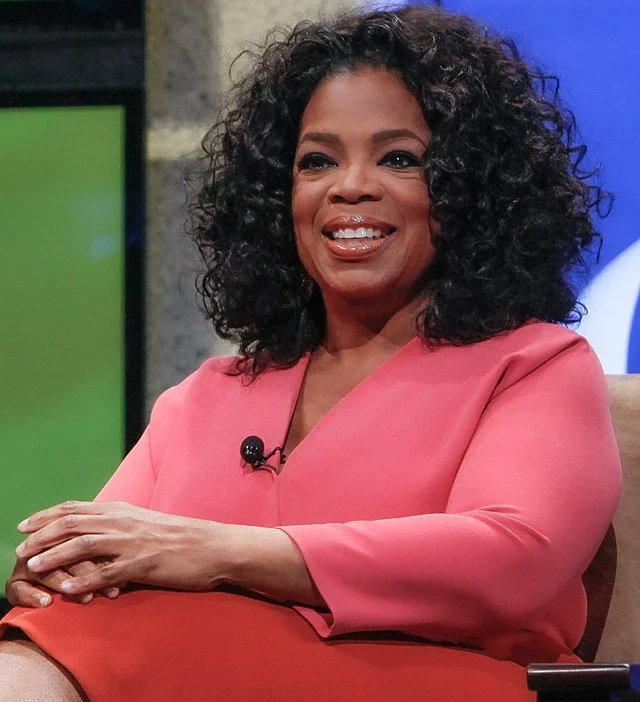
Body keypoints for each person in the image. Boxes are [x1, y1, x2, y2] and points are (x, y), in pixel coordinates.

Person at [0, 5, 621, 701]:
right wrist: (61, 569)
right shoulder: (207, 394)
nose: (349, 186)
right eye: (316, 161)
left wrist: (222, 554)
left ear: (470, 191)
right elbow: (106, 554)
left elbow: (513, 559)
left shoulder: (533, 366)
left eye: (399, 158)